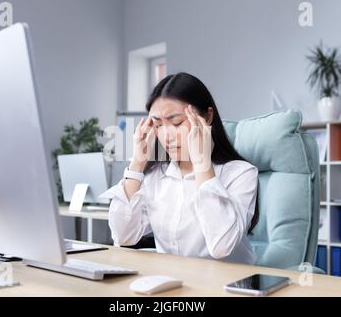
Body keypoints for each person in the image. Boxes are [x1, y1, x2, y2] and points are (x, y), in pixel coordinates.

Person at [100, 72, 259, 264]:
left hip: (224, 288)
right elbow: (123, 237)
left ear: (207, 117)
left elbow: (221, 247)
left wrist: (202, 165)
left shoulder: (241, 174)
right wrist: (137, 165)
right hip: (170, 282)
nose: (166, 135)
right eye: (158, 125)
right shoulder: (156, 175)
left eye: (176, 123)